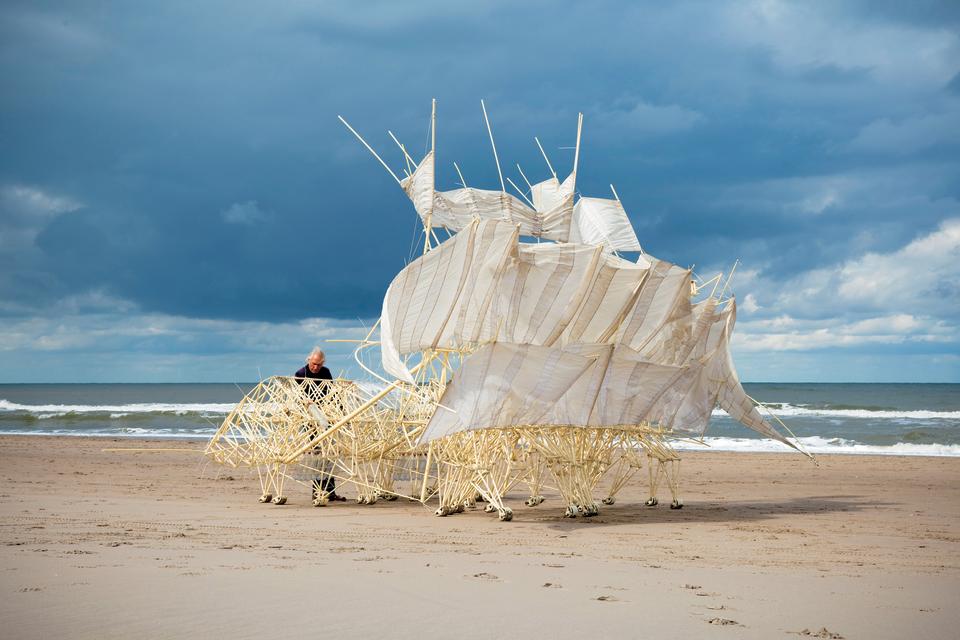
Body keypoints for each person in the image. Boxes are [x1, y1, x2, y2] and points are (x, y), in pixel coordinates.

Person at [293, 347, 346, 502]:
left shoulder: (325, 372)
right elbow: (296, 398)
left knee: (329, 454)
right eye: (313, 364)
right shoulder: (300, 374)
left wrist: (341, 412)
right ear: (309, 360)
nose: (315, 367)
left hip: (326, 419)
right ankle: (317, 492)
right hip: (311, 421)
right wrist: (306, 403)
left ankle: (330, 492)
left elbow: (332, 393)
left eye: (319, 365)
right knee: (317, 456)